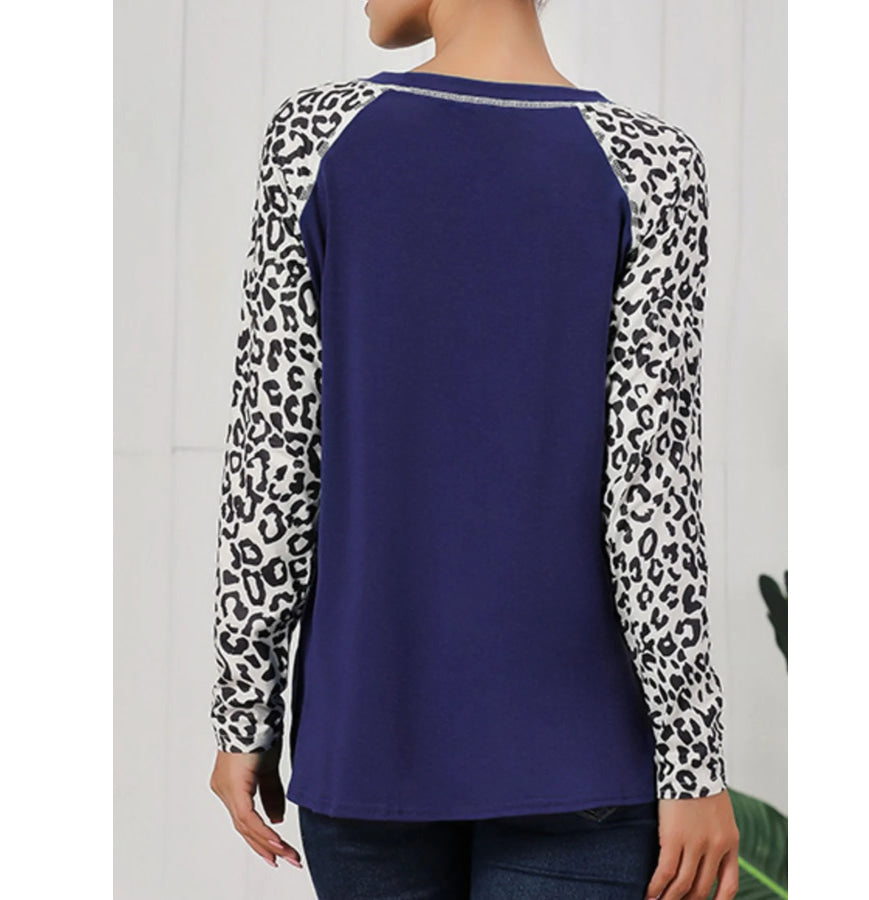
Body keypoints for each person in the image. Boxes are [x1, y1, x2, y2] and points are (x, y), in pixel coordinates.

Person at [207, 0, 741, 897]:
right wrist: (692, 759)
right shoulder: (653, 164)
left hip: (369, 733)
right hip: (583, 750)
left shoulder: (316, 139)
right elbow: (651, 496)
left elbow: (273, 458)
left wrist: (243, 712)